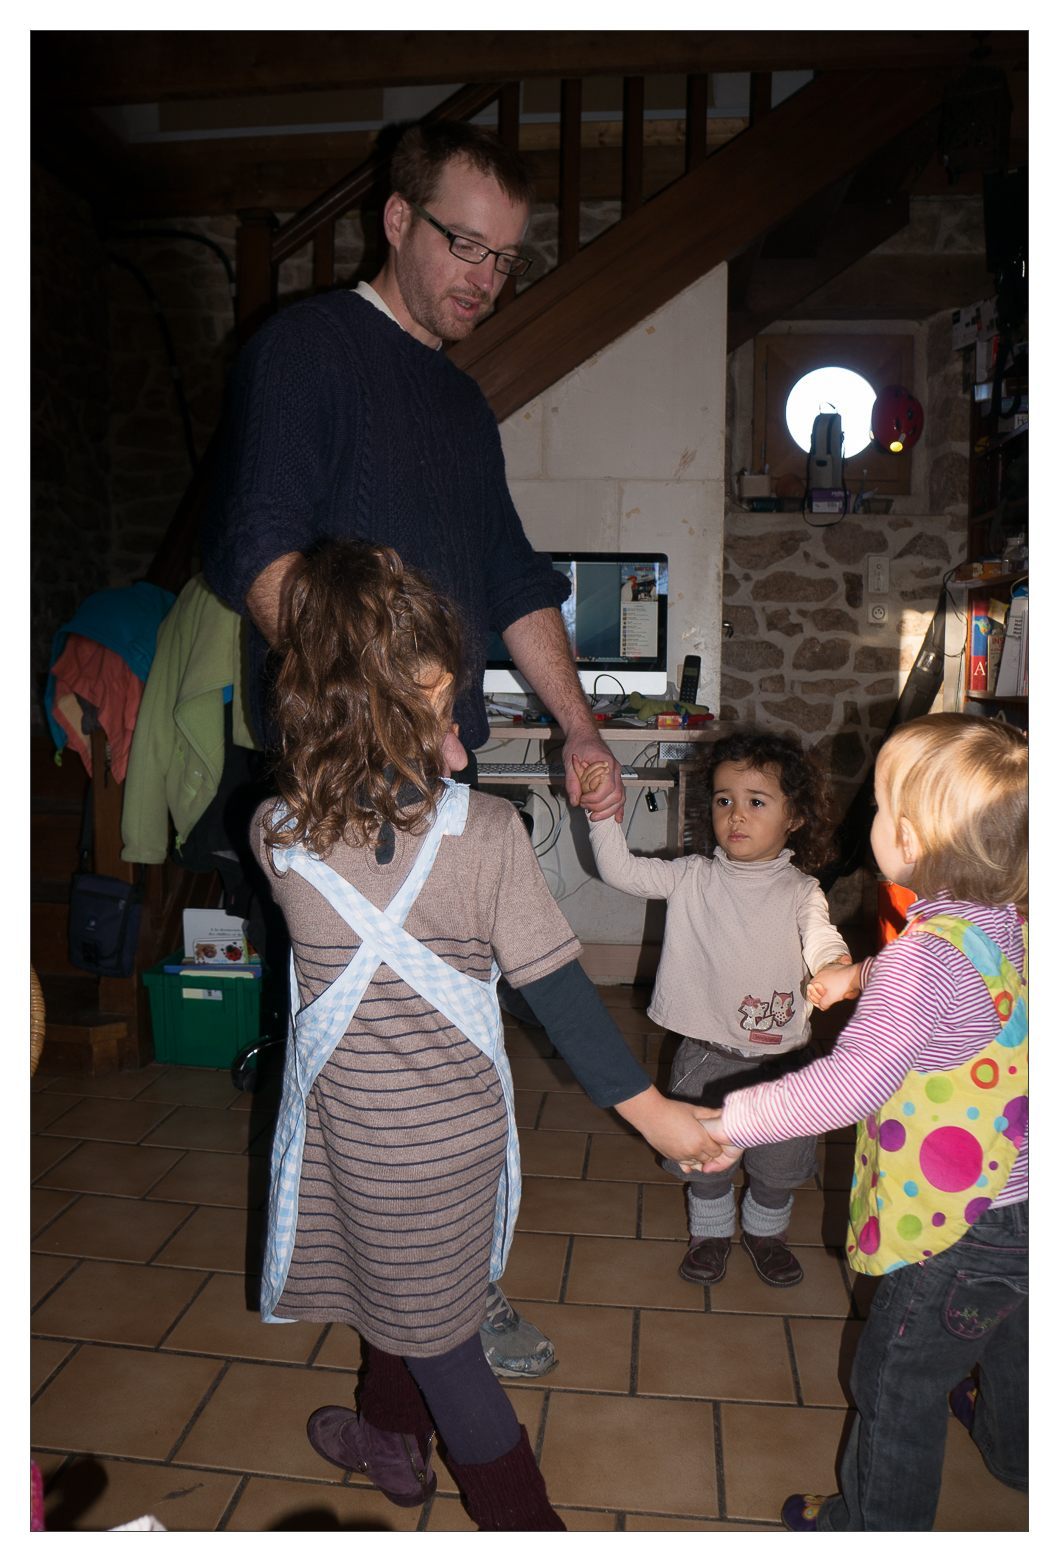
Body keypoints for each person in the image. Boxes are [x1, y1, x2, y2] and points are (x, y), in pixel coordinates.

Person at [202, 120, 629, 1373]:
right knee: (377, 1056)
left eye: (505, 258)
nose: (485, 277)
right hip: (346, 771)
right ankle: (414, 1308)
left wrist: (579, 722)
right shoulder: (306, 351)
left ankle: (430, 1302)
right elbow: (261, 557)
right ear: (396, 220)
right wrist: (387, 706)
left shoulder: (459, 401)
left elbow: (510, 576)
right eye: (464, 244)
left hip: (439, 761)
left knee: (455, 1040)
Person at [252, 541, 722, 1530]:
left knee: (427, 1319)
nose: (458, 733)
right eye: (438, 709)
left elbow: (361, 826)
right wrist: (656, 1116)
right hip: (460, 1140)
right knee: (430, 1316)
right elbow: (561, 995)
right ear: (394, 711)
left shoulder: (276, 835)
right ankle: (402, 1442)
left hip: (365, 1142)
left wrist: (411, 754)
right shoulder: (490, 835)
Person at [703, 713, 1028, 1531]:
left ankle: (872, 1528)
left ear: (908, 838)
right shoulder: (1009, 925)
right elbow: (951, 978)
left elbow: (848, 1085)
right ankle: (1019, 1454)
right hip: (1027, 1200)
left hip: (957, 1226)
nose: (870, 820)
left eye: (879, 807)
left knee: (895, 1382)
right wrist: (858, 976)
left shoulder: (923, 957)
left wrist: (732, 1119)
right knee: (1016, 1339)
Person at [580, 729, 852, 1288]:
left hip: (784, 1065)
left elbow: (821, 936)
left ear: (795, 817)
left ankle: (765, 1233)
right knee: (703, 1157)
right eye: (725, 800)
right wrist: (600, 814)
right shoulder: (691, 876)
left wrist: (834, 965)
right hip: (706, 1057)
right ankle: (709, 1232)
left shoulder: (801, 891)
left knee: (778, 1165)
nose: (737, 815)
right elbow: (621, 871)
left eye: (757, 802)